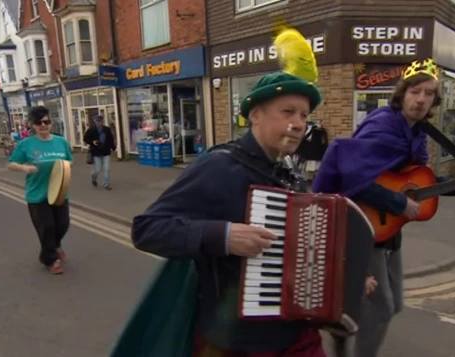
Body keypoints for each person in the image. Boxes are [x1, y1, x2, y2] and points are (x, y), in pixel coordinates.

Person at [128, 27, 334, 356]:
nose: (298, 123)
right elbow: (147, 229)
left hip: (297, 334)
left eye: (304, 116)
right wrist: (223, 235)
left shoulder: (290, 172)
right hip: (234, 342)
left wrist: (342, 277)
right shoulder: (219, 166)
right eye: (287, 112)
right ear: (255, 115)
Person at [311, 58, 455, 357]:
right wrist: (397, 202)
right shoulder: (382, 126)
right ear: (402, 93)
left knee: (393, 304)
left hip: (389, 229)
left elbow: (414, 182)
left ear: (435, 100)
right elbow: (355, 178)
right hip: (364, 228)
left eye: (428, 93)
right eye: (415, 91)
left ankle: (340, 325)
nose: (420, 100)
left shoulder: (417, 132)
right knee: (380, 308)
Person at [6, 106, 74, 275]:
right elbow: (10, 164)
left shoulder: (61, 142)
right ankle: (51, 260)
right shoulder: (25, 144)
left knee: (63, 224)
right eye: (39, 122)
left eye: (46, 121)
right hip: (37, 194)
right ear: (33, 125)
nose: (43, 125)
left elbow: (69, 161)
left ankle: (53, 247)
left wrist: (62, 168)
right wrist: (25, 168)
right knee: (47, 227)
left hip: (59, 190)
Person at [83, 115, 115, 190]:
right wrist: (92, 142)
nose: (98, 123)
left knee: (106, 168)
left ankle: (106, 184)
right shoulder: (91, 130)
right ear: (94, 121)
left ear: (102, 121)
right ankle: (93, 177)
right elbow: (85, 138)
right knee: (97, 169)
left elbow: (111, 139)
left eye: (100, 121)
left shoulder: (107, 130)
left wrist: (113, 147)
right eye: (97, 121)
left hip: (106, 152)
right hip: (96, 152)